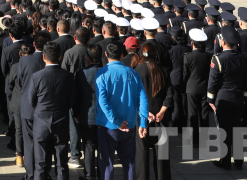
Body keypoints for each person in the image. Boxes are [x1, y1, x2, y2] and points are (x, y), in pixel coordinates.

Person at [95, 42, 148, 180]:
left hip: (107, 125)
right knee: (129, 163)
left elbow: (102, 101)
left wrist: (116, 121)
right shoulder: (133, 73)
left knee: (107, 164)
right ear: (122, 55)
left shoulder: (102, 73)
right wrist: (143, 122)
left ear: (106, 54)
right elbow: (143, 99)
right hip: (129, 123)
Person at [29, 42, 75, 180]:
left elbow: (31, 101)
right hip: (61, 121)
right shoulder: (68, 76)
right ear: (60, 57)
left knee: (40, 164)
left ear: (44, 56)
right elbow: (71, 100)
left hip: (41, 121)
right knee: (62, 163)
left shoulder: (36, 76)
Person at [207, 26, 247, 170]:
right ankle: (239, 161)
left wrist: (210, 99)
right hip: (238, 97)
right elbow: (246, 80)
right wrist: (244, 97)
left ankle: (225, 161)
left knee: (224, 130)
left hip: (223, 98)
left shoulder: (218, 59)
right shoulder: (242, 58)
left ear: (223, 42)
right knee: (237, 129)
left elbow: (213, 82)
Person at [132, 43, 173, 180]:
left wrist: (144, 112)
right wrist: (162, 111)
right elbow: (169, 94)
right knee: (162, 153)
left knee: (141, 152)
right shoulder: (163, 69)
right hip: (160, 115)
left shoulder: (137, 70)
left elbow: (133, 95)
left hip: (142, 115)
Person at [17, 34, 48, 180]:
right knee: (44, 142)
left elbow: (20, 81)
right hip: (45, 107)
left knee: (29, 142)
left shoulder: (24, 60)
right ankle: (43, 173)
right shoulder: (51, 61)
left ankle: (30, 174)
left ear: (34, 44)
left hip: (28, 106)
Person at [73, 43, 103, 180]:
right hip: (104, 116)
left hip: (87, 115)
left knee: (89, 146)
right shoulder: (106, 72)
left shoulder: (81, 73)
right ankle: (102, 174)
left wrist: (76, 113)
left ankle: (89, 175)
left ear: (88, 57)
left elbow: (77, 96)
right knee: (102, 146)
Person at [183, 28, 211, 146]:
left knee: (192, 115)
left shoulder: (188, 57)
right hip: (205, 88)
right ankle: (204, 139)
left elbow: (185, 74)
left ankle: (194, 140)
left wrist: (183, 89)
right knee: (204, 114)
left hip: (191, 88)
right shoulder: (209, 56)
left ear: (192, 43)